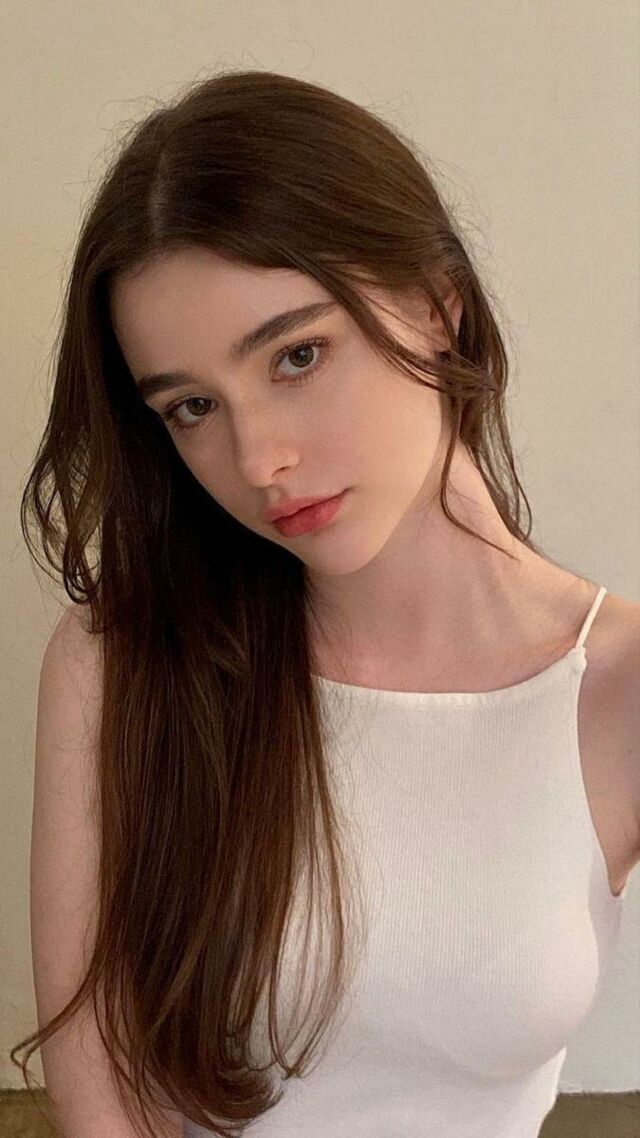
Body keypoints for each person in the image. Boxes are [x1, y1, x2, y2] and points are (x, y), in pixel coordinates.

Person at [12, 69, 640, 1138]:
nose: (258, 458)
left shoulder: (613, 685)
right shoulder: (122, 660)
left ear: (436, 309)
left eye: (297, 356)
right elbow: (99, 1084)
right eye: (192, 406)